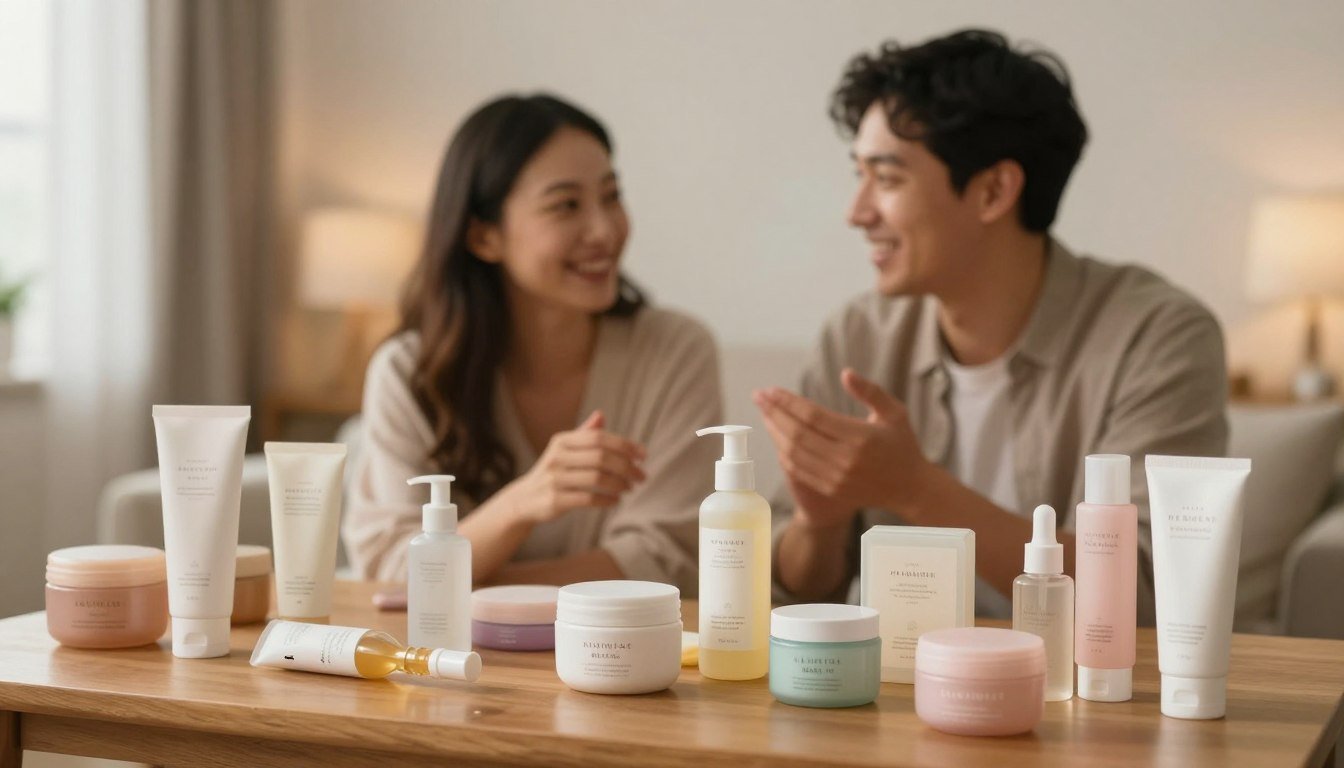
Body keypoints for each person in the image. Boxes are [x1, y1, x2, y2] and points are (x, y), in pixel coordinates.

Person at [755, 29, 1227, 621]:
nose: (857, 213)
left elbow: (1141, 596)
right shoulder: (858, 337)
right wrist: (817, 524)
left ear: (994, 190)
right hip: (902, 686)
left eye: (888, 178)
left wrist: (916, 489)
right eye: (859, 175)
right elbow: (793, 594)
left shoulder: (1156, 337)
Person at [345, 94, 721, 595]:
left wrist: (466, 587)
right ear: (484, 238)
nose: (605, 229)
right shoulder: (407, 372)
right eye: (566, 205)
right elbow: (391, 569)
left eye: (611, 196)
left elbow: (669, 561)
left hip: (622, 659)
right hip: (453, 664)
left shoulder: (675, 352)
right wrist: (522, 504)